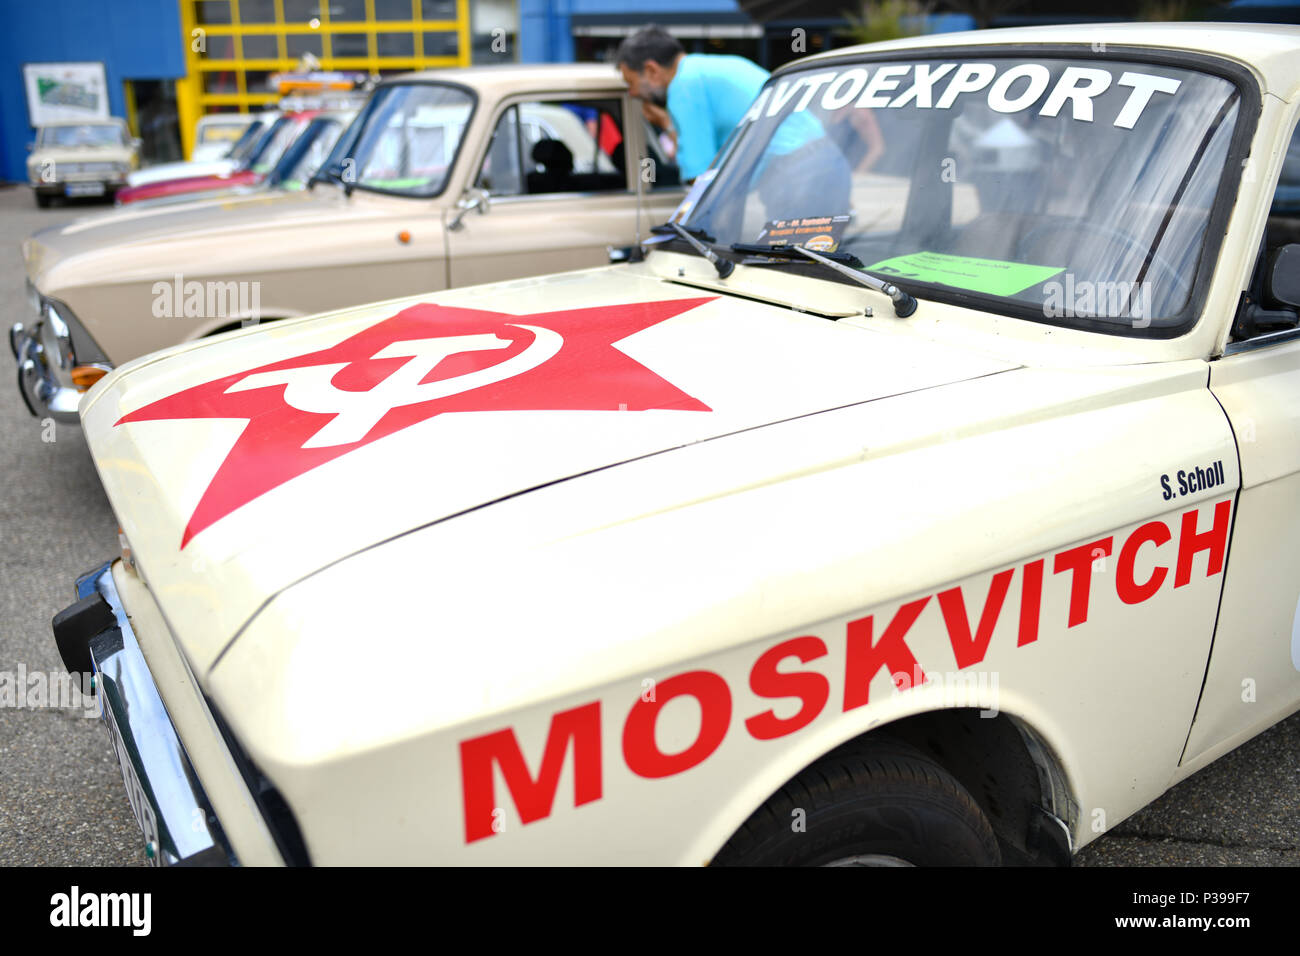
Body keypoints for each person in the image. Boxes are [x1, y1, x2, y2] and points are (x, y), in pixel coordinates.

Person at [616, 26, 769, 182]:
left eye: (631, 83)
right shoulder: (706, 68)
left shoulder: (683, 87)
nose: (632, 93)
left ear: (651, 70)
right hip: (784, 161)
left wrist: (665, 123)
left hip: (776, 168)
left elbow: (699, 179)